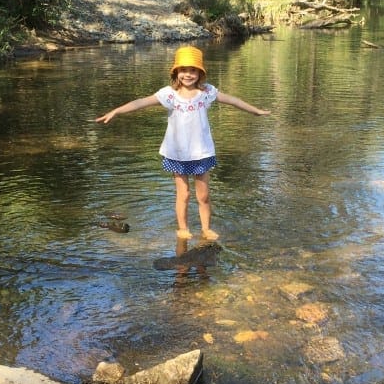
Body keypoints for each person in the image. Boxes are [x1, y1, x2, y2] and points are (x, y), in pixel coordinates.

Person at [95, 45, 271, 240]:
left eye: (193, 70)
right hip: (177, 153)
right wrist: (116, 111)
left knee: (203, 196)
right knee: (183, 194)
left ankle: (205, 229)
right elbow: (141, 102)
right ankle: (183, 228)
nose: (188, 74)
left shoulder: (207, 93)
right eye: (184, 70)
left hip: (202, 152)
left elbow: (232, 100)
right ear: (176, 72)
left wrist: (255, 110)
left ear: (200, 72)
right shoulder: (169, 95)